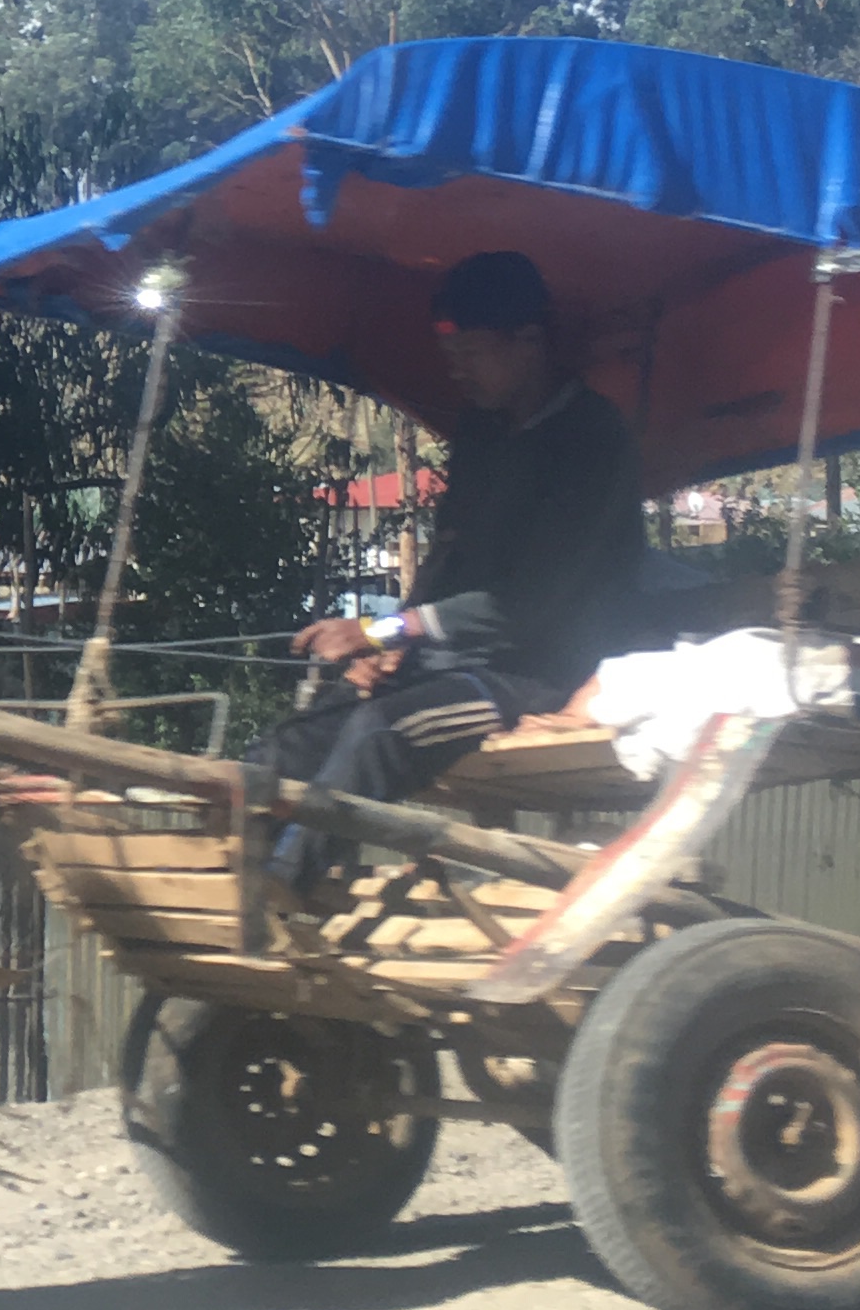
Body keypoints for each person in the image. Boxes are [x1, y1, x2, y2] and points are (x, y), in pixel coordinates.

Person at [253, 246, 645, 857]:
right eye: (450, 354)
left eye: (471, 353)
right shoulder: (482, 433)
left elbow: (527, 605)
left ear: (528, 342)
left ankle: (286, 886)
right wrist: (392, 644)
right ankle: (232, 875)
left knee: (380, 730)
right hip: (452, 663)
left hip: (544, 672)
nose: (457, 370)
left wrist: (381, 630)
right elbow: (449, 553)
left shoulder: (592, 437)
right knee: (293, 741)